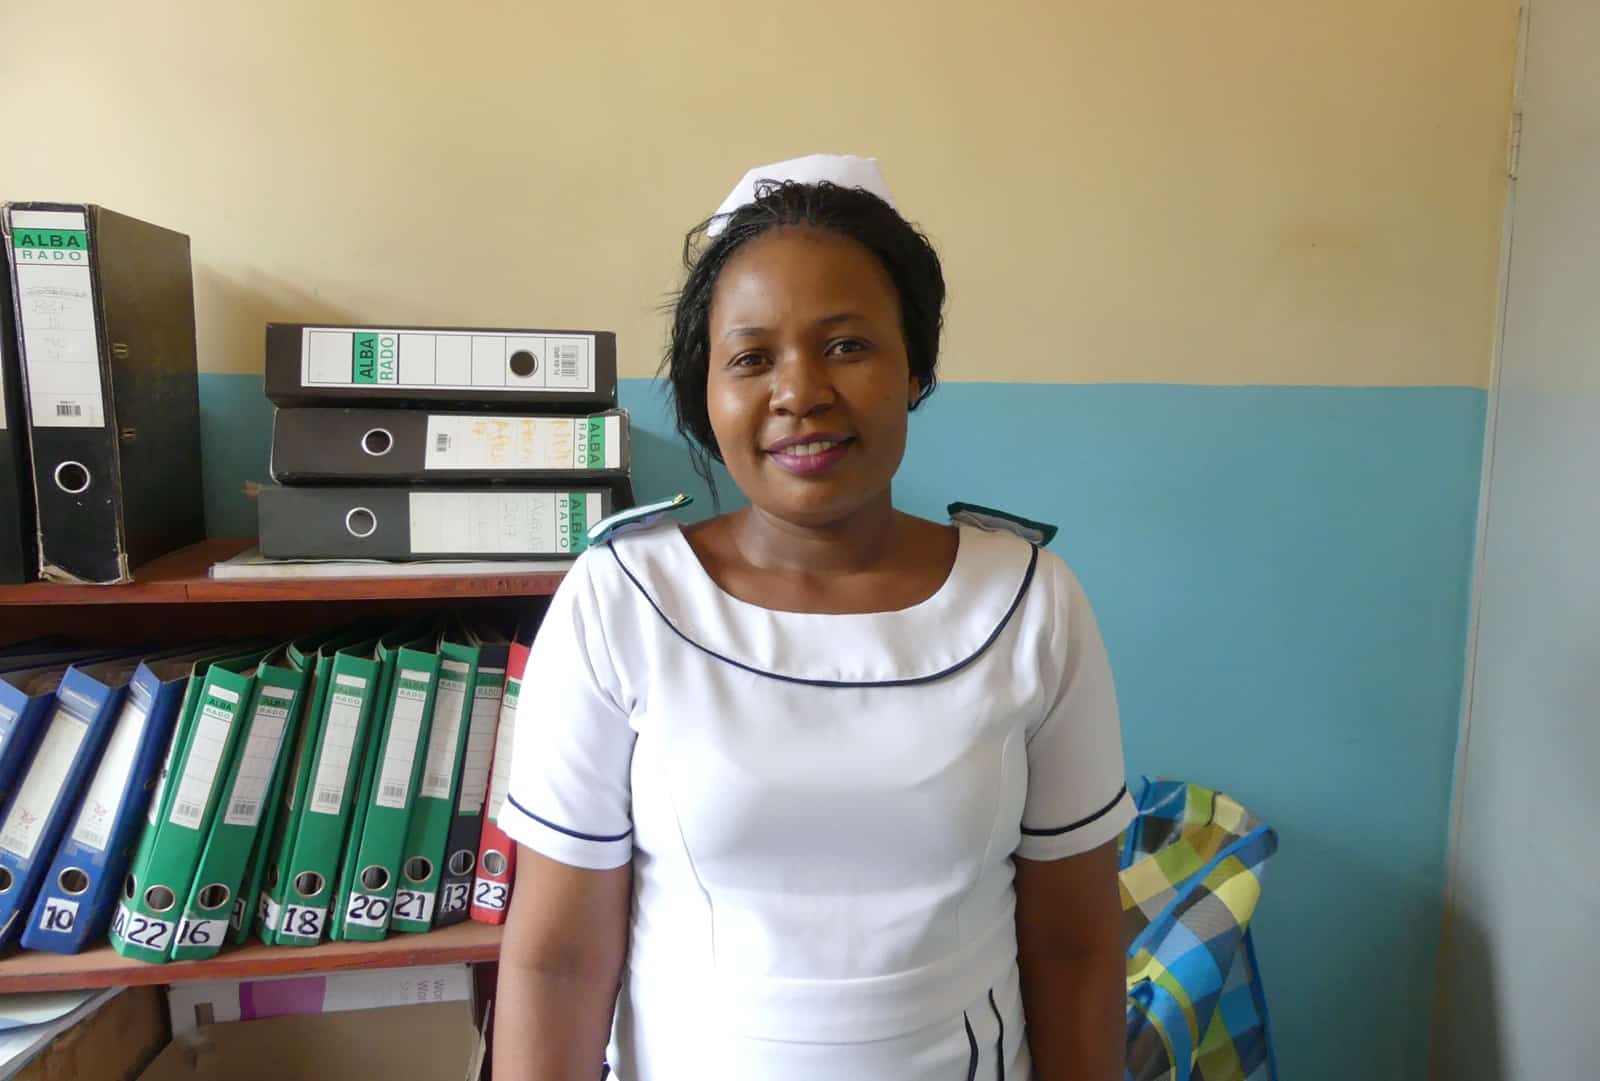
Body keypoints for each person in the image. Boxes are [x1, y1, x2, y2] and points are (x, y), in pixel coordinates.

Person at [494, 155, 1135, 1081]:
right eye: (751, 357)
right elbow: (557, 962)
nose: (799, 391)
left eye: (846, 345)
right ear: (705, 396)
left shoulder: (1029, 602)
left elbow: (1076, 947)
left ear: (915, 367)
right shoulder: (621, 602)